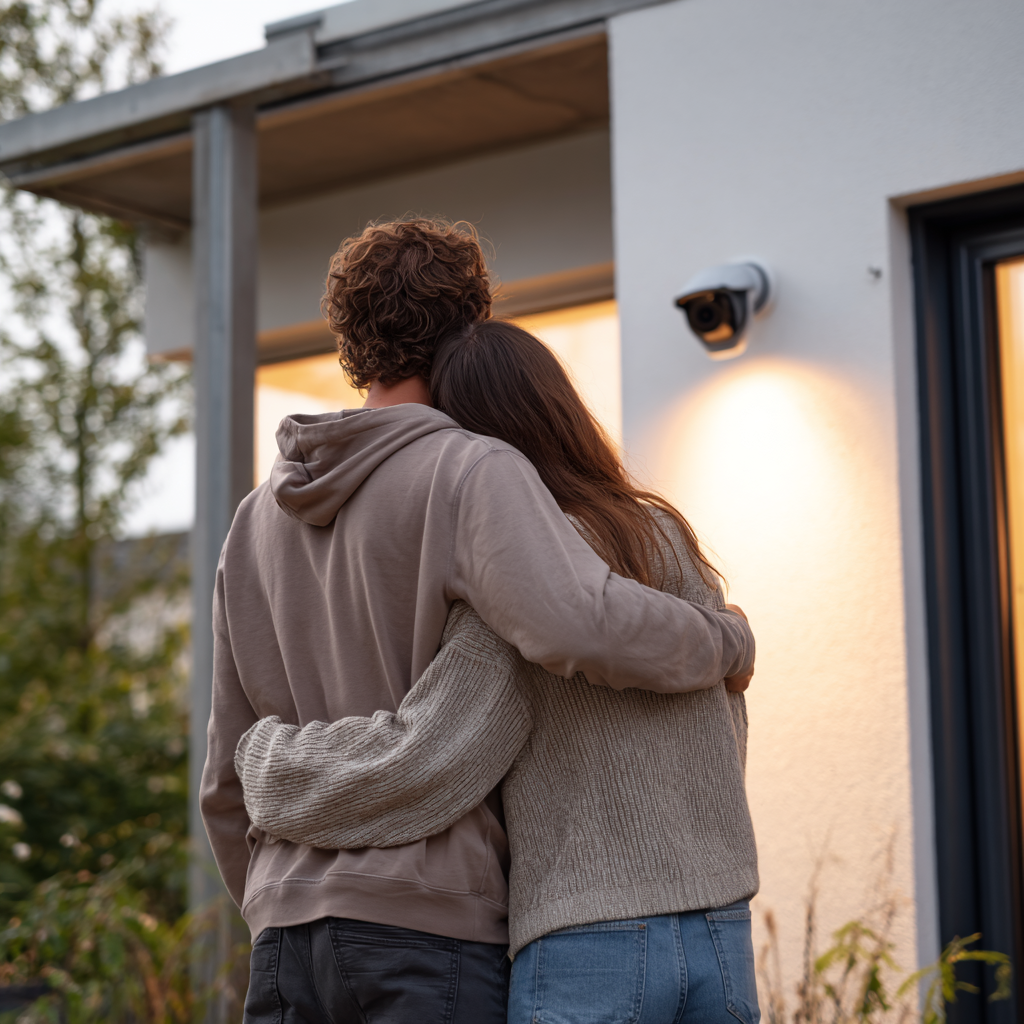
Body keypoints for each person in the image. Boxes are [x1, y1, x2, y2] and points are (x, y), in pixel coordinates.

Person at [199, 219, 755, 1024]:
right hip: (429, 930)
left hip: (285, 939)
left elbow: (224, 779)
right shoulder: (473, 470)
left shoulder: (253, 521)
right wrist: (725, 639)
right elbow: (576, 625)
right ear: (471, 323)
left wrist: (275, 900)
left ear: (350, 341)